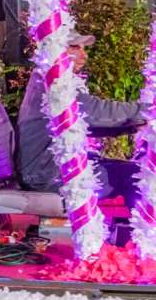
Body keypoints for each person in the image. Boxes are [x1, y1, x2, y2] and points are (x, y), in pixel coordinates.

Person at [16, 31, 144, 206]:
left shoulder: (54, 79)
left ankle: (130, 229)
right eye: (75, 47)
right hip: (46, 173)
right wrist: (147, 110)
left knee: (130, 171)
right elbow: (98, 112)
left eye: (84, 48)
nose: (84, 55)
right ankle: (141, 231)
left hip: (50, 167)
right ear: (55, 50)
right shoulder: (54, 83)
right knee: (135, 177)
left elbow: (84, 123)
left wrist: (130, 126)